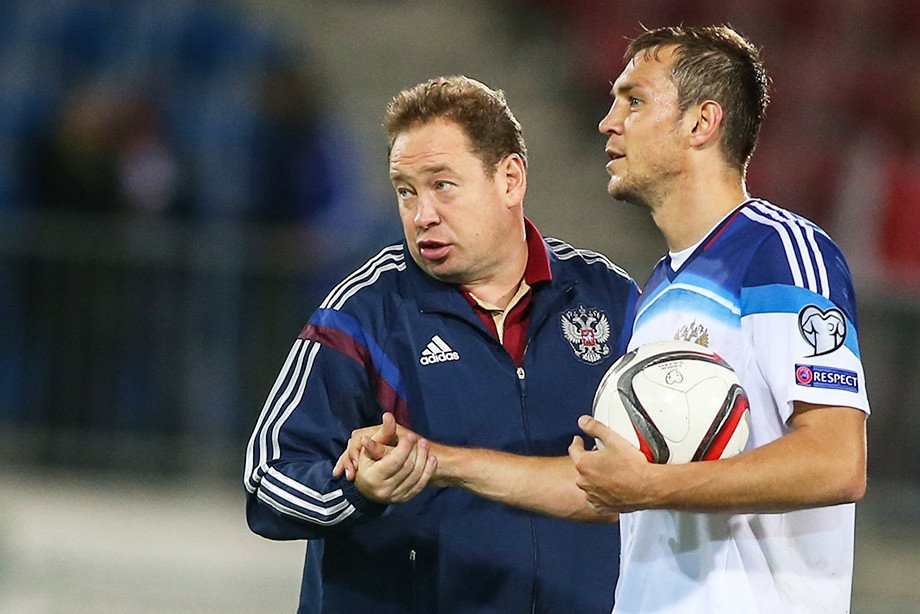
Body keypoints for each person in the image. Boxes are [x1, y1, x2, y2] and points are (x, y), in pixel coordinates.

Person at [339, 26, 870, 613]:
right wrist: (434, 460)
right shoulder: (658, 293)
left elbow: (836, 462)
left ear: (702, 123)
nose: (607, 122)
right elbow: (606, 488)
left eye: (634, 101)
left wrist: (651, 487)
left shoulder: (781, 253)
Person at [243, 75, 640, 613]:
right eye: (405, 191)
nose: (421, 214)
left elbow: (660, 472)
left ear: (510, 179)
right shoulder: (364, 313)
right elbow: (268, 480)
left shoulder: (610, 299)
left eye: (442, 185)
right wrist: (357, 490)